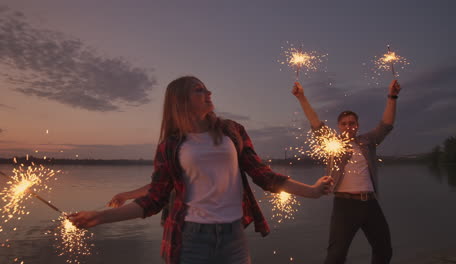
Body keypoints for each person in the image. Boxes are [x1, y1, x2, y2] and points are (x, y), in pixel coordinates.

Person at [70, 76, 334, 264]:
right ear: (181, 101)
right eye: (199, 90)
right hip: (191, 239)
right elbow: (154, 199)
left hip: (233, 236)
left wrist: (311, 191)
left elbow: (263, 175)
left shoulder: (232, 131)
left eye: (207, 89)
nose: (209, 94)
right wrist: (101, 217)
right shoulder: (171, 146)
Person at [291, 80, 401, 264]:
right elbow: (316, 124)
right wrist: (301, 97)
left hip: (371, 203)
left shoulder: (367, 141)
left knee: (384, 250)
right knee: (336, 256)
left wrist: (392, 96)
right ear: (338, 126)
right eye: (344, 124)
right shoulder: (333, 144)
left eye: (352, 123)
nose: (348, 126)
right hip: (345, 205)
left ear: (357, 125)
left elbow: (386, 125)